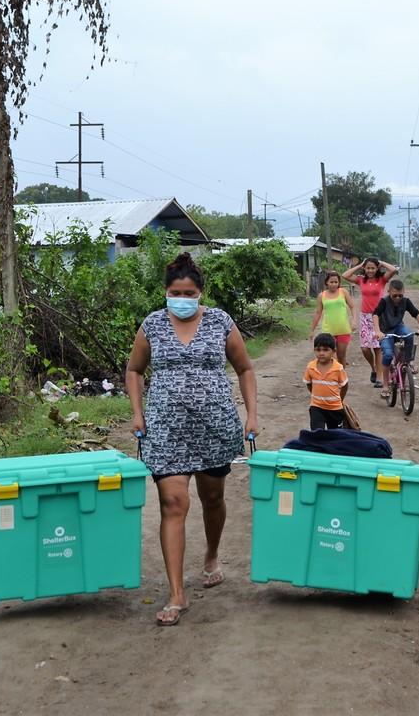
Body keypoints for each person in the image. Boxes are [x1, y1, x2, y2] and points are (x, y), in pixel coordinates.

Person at [126, 252, 258, 627]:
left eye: (188, 292)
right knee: (173, 501)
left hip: (214, 426)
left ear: (200, 292)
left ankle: (212, 553)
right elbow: (134, 371)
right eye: (174, 291)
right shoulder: (152, 325)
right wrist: (137, 413)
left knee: (212, 497)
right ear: (166, 291)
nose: (181, 298)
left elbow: (245, 368)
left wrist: (252, 415)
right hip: (165, 428)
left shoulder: (220, 322)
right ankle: (176, 593)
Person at [343, 257, 399, 387]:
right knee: (365, 348)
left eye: (373, 268)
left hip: (379, 316)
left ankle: (379, 377)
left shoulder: (382, 280)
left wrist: (381, 262)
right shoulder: (361, 280)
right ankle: (374, 369)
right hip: (365, 317)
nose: (370, 270)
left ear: (377, 268)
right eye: (368, 268)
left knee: (378, 348)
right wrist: (360, 265)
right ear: (365, 268)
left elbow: (393, 270)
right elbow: (345, 275)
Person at [371, 278, 419, 393]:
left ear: (403, 293)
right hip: (385, 331)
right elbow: (375, 314)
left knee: (409, 335)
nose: (397, 298)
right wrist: (377, 331)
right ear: (389, 292)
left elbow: (416, 313)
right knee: (387, 355)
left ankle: (408, 361)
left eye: (400, 296)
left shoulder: (406, 301)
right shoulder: (384, 301)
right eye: (394, 295)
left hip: (398, 328)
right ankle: (385, 385)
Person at [309, 270, 356, 365]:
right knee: (331, 358)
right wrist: (312, 330)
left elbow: (352, 306)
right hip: (328, 331)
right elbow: (318, 313)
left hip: (343, 330)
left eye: (336, 282)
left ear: (339, 283)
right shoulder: (321, 296)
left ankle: (342, 377)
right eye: (331, 282)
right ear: (326, 282)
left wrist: (354, 320)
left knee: (341, 356)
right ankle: (332, 378)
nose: (334, 284)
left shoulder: (343, 292)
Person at [304, 333, 349, 429]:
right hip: (316, 407)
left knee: (334, 436)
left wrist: (340, 400)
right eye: (318, 350)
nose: (321, 353)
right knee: (317, 434)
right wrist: (316, 395)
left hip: (335, 408)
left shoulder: (338, 369)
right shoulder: (310, 367)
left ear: (333, 351)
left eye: (325, 350)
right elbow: (309, 384)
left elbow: (344, 386)